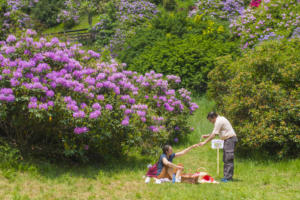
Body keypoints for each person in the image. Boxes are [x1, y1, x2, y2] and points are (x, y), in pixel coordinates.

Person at [198, 112, 238, 183]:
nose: (211, 122)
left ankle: (228, 178)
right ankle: (226, 177)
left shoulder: (219, 121)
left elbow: (214, 135)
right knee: (226, 158)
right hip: (227, 140)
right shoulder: (219, 120)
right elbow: (215, 132)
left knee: (228, 158)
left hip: (230, 139)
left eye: (210, 120)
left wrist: (204, 142)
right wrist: (207, 135)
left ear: (214, 117)